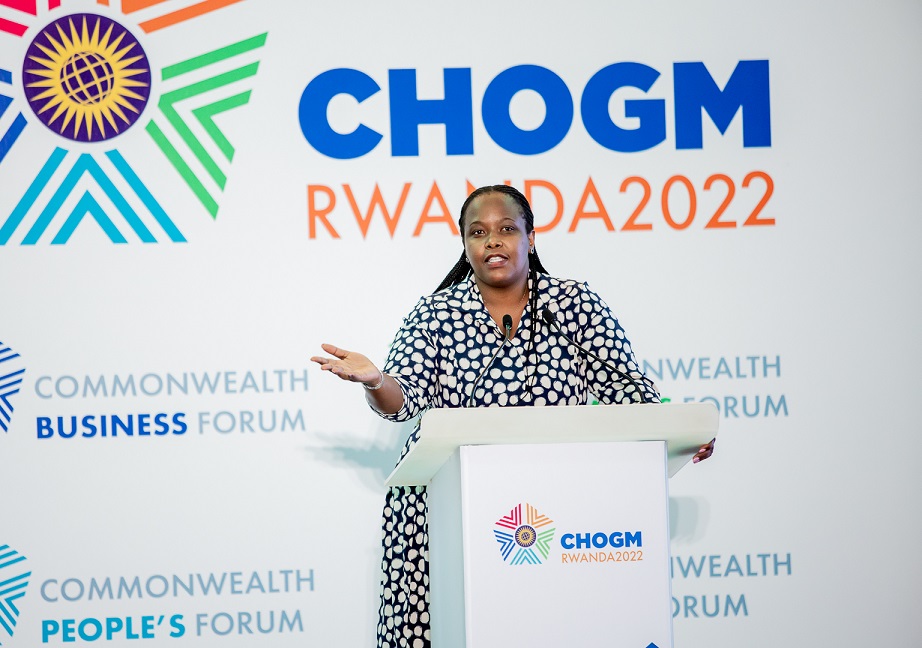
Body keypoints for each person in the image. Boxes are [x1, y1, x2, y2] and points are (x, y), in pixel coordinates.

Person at [311, 185, 715, 648]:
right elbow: (404, 401)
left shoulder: (574, 305)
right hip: (447, 508)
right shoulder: (435, 314)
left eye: (506, 229)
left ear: (531, 238)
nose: (493, 241)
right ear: (465, 245)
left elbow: (627, 390)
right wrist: (375, 381)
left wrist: (681, 432)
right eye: (478, 232)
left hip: (562, 510)